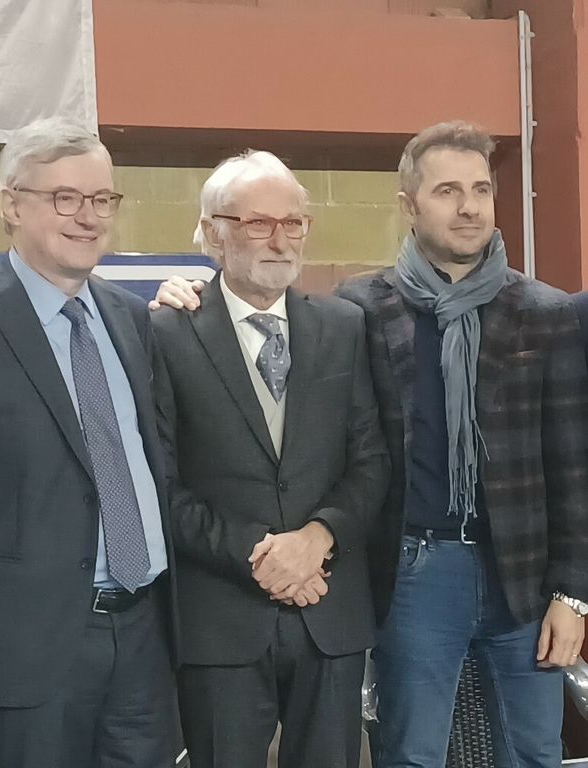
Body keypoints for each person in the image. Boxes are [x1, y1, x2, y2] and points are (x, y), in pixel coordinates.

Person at [155, 122, 588, 768]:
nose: (469, 207)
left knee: (534, 753)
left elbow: (574, 467)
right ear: (409, 204)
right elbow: (353, 445)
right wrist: (190, 294)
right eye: (447, 191)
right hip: (411, 572)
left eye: (480, 189)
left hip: (522, 576)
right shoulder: (360, 309)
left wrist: (573, 593)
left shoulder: (548, 314)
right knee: (410, 753)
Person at [0, 118, 178, 768]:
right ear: (12, 205)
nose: (88, 217)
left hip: (143, 635)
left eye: (101, 199)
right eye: (65, 198)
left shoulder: (131, 319)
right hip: (24, 646)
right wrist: (8, 596)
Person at [151, 150, 389, 768]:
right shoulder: (164, 333)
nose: (280, 240)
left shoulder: (345, 326)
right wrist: (260, 555)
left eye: (294, 223)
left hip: (328, 611)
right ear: (213, 233)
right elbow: (160, 484)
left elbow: (371, 460)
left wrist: (317, 538)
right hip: (221, 621)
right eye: (258, 223)